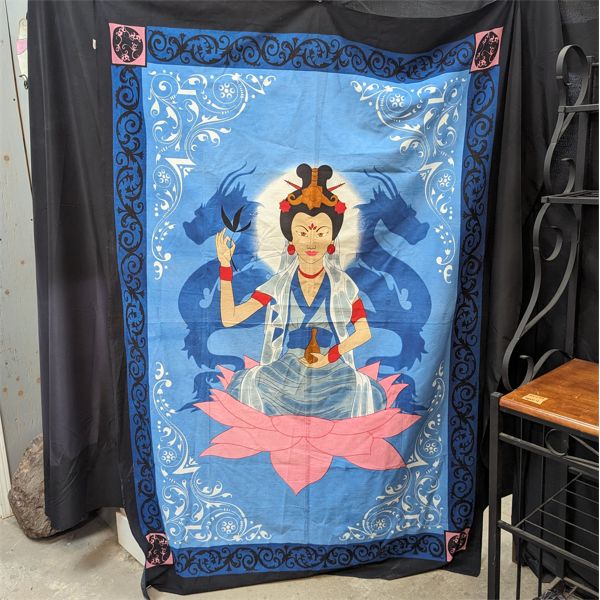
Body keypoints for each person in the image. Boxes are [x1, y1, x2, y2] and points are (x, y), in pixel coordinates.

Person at [215, 163, 386, 419]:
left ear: (332, 238)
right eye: (303, 232)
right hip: (285, 372)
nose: (312, 241)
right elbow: (230, 318)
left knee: (363, 392)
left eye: (321, 232)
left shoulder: (343, 284)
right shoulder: (278, 284)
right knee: (252, 385)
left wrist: (331, 356)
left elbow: (363, 332)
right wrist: (225, 266)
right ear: (291, 239)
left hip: (331, 369)